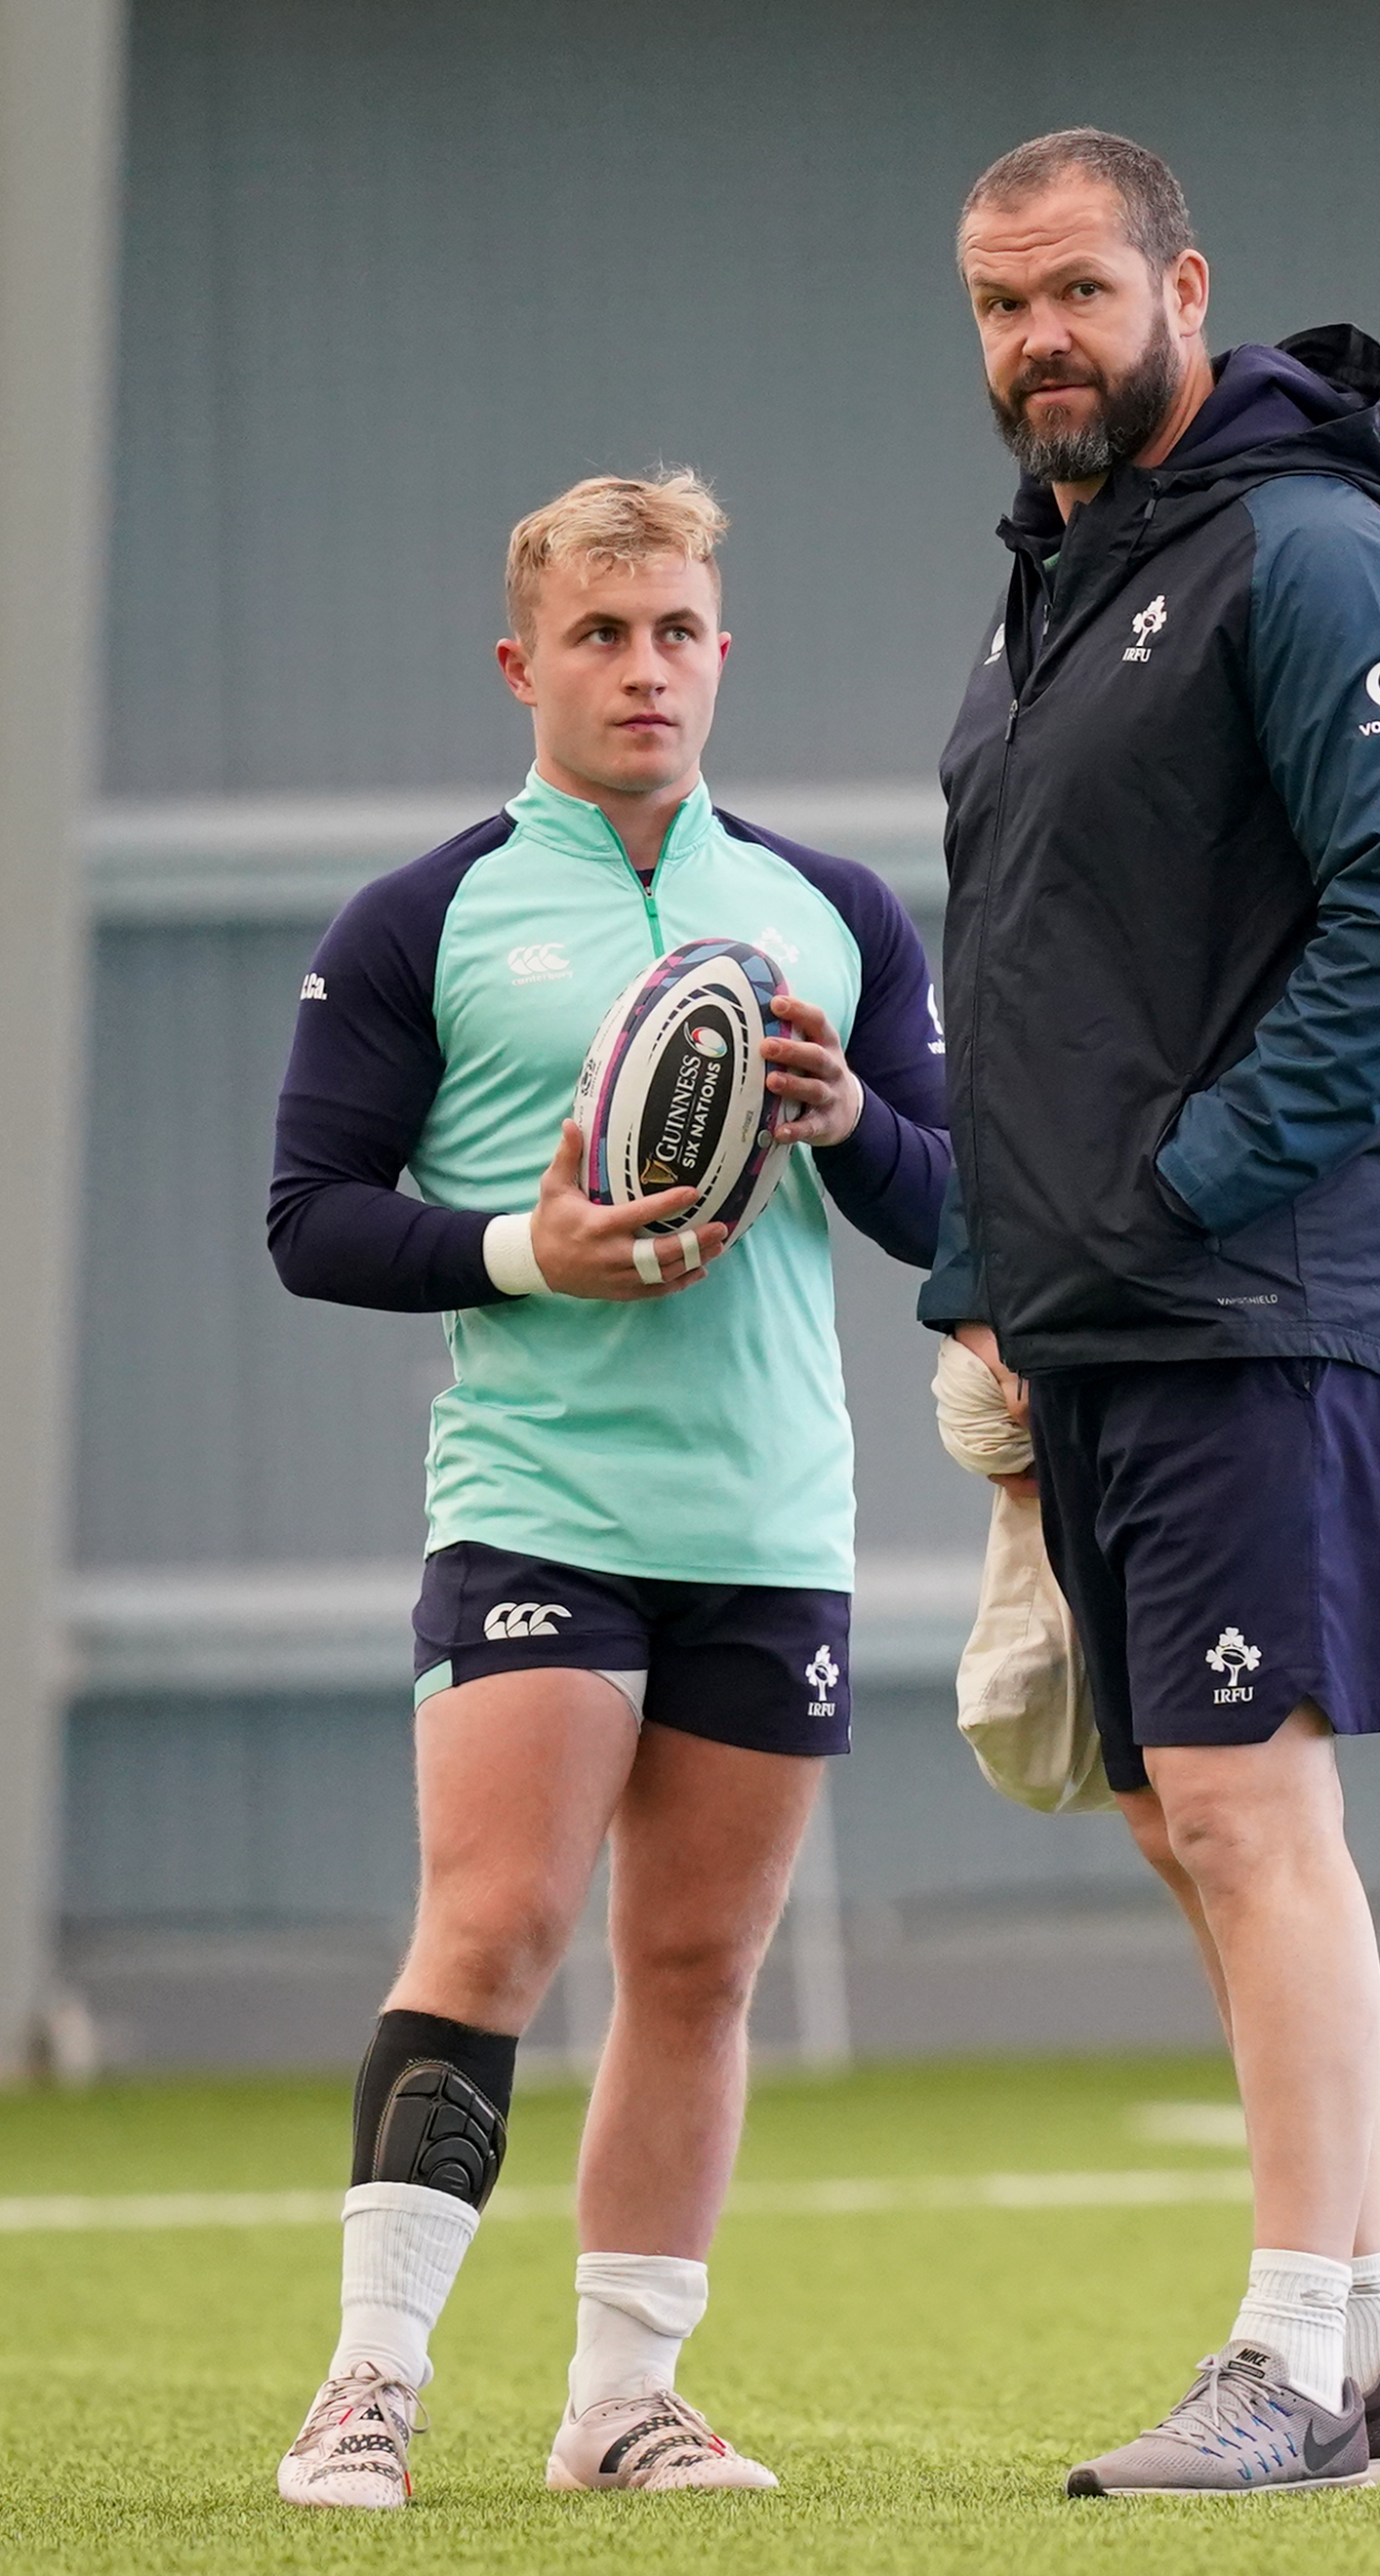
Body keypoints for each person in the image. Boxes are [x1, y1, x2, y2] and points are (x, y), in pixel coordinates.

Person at [265, 470, 948, 2505]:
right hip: (539, 1505)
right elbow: (310, 1218)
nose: (641, 669)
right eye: (598, 635)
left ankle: (619, 2401)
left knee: (699, 1970)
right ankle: (371, 2380)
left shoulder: (835, 911)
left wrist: (850, 1123)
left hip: (770, 1524)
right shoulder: (425, 915)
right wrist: (519, 1251)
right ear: (522, 662)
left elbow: (953, 1215)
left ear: (722, 652)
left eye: (674, 634)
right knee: (492, 1930)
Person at [920, 129, 1380, 2497]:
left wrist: (1178, 1189)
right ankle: (1370, 2364)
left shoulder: (1309, 549)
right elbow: (1039, 971)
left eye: (1071, 291)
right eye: (992, 305)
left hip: (1256, 1295)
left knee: (1251, 1816)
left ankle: (1285, 2368)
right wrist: (991, 1281)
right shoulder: (1054, 582)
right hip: (1100, 1321)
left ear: (1180, 282)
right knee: (1180, 1819)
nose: (1034, 341)